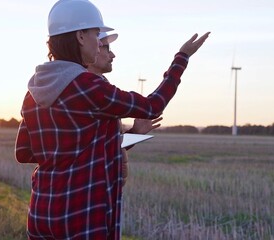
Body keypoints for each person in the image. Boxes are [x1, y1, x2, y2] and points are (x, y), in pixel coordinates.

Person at [15, 0, 210, 239]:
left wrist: (75, 148)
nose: (99, 44)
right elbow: (152, 105)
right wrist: (182, 58)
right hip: (82, 217)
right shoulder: (88, 86)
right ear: (80, 36)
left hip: (41, 214)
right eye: (97, 34)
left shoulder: (33, 92)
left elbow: (24, 152)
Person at [88, 31, 163, 186]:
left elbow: (106, 148)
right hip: (89, 197)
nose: (113, 55)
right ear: (89, 47)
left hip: (104, 195)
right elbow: (153, 106)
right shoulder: (97, 92)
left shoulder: (100, 89)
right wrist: (183, 57)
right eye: (106, 48)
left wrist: (135, 133)